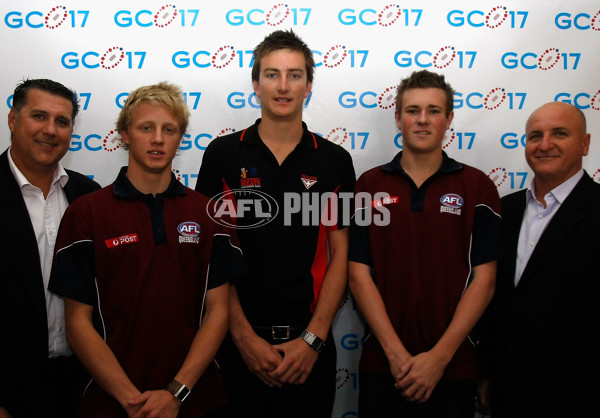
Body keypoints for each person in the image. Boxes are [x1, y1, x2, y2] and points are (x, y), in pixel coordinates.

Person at [48, 82, 245, 417]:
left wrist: (176, 393)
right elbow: (78, 323)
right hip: (111, 402)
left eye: (169, 129)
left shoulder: (210, 214)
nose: (158, 139)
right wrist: (131, 400)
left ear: (180, 136)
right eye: (146, 128)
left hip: (195, 399)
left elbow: (218, 312)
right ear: (125, 134)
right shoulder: (86, 213)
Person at [195, 30, 356, 418]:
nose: (283, 86)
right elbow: (211, 256)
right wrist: (243, 337)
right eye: (272, 74)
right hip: (233, 346)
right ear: (256, 84)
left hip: (310, 351)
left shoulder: (335, 161)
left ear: (308, 85)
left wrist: (312, 341)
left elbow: (342, 255)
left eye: (294, 75)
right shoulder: (221, 155)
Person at [348, 69, 502, 418]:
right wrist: (395, 354)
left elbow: (485, 279)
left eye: (433, 110)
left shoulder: (478, 187)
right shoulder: (368, 186)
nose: (422, 120)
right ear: (398, 117)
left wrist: (439, 357)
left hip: (453, 366)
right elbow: (358, 273)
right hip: (382, 363)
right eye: (413, 110)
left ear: (449, 118)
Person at [479, 102, 600, 417]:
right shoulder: (504, 210)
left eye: (559, 133)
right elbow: (496, 301)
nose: (545, 145)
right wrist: (488, 371)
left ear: (585, 143)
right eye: (535, 136)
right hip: (509, 391)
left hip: (582, 394)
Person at [0, 79, 100, 418]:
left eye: (62, 121)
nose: (50, 130)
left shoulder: (89, 196)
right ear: (13, 119)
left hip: (82, 385)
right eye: (39, 116)